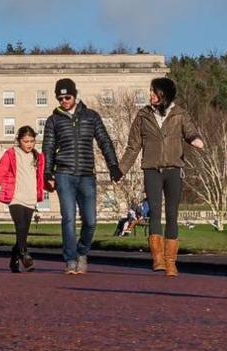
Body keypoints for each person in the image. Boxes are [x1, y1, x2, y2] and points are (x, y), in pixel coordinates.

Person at [117, 77, 204, 275]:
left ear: (165, 94)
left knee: (172, 215)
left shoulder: (179, 114)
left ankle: (171, 262)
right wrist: (121, 169)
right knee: (154, 213)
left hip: (174, 170)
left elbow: (190, 131)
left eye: (155, 92)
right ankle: (158, 259)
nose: (151, 95)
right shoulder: (143, 115)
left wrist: (195, 139)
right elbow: (133, 146)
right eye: (150, 92)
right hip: (152, 170)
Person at [42, 78, 123, 275]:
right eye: (60, 98)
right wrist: (47, 173)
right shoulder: (53, 120)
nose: (64, 101)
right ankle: (70, 260)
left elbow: (104, 140)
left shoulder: (91, 116)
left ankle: (82, 251)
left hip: (87, 174)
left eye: (67, 97)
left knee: (91, 220)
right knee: (68, 218)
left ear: (75, 95)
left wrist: (113, 165)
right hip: (64, 174)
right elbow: (49, 147)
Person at [0, 126, 45, 272]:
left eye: (32, 141)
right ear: (19, 141)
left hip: (30, 197)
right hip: (15, 197)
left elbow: (41, 177)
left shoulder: (38, 156)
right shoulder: (10, 154)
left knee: (23, 233)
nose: (29, 144)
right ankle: (25, 254)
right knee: (20, 227)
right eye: (26, 141)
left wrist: (52, 184)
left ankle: (14, 259)